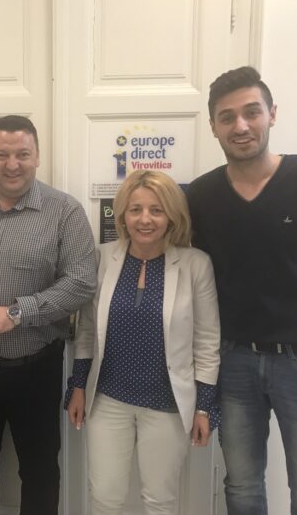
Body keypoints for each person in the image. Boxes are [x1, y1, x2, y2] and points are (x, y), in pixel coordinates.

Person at [187, 66, 297, 515]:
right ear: (213, 127)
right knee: (242, 486)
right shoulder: (202, 196)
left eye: (252, 112)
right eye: (227, 117)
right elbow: (197, 273)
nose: (240, 125)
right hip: (234, 362)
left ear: (272, 114)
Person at [0, 115, 97, 514]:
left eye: (22, 154)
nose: (12, 164)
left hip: (35, 369)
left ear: (37, 156)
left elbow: (82, 282)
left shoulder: (65, 211)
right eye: (2, 155)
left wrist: (16, 313)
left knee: (40, 471)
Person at [65, 170, 220, 515]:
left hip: (166, 404)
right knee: (105, 498)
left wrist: (204, 407)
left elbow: (207, 342)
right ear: (122, 215)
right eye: (135, 210)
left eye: (156, 210)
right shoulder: (103, 257)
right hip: (108, 400)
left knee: (159, 502)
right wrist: (78, 386)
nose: (145, 219)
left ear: (172, 216)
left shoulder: (196, 265)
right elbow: (87, 330)